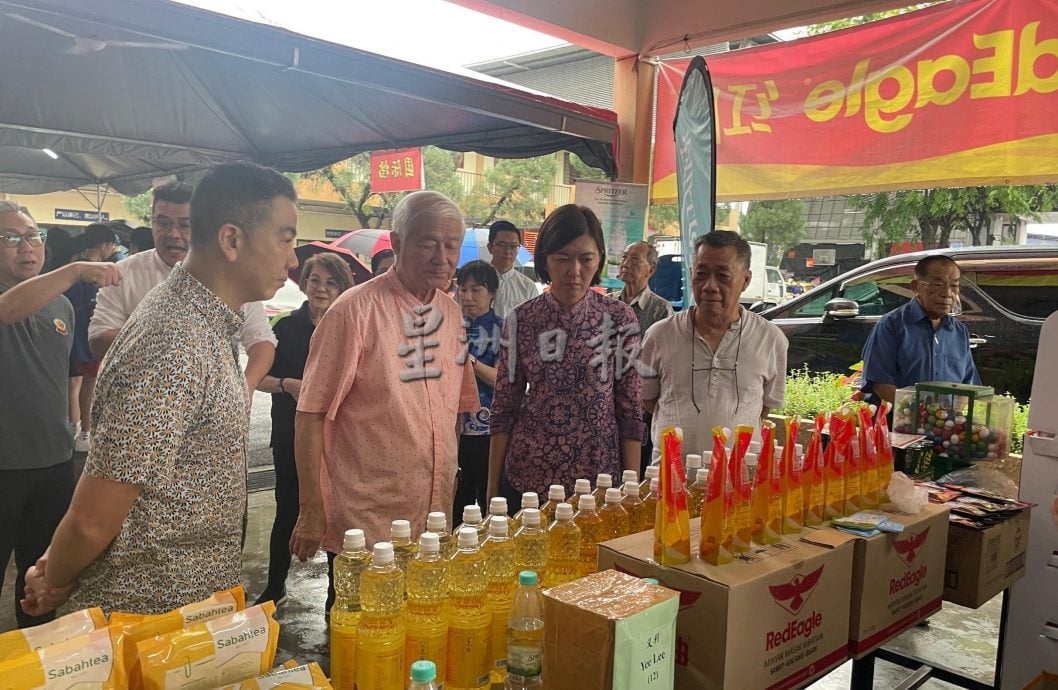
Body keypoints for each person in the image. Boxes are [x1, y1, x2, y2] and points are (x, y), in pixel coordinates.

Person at [20, 162, 299, 616]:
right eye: (285, 239)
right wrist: (54, 578)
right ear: (231, 240)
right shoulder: (173, 342)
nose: (293, 260)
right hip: (146, 618)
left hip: (188, 610)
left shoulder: (205, 324)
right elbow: (93, 518)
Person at [291, 190, 479, 613]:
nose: (442, 256)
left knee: (421, 630)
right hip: (367, 523)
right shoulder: (353, 312)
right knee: (363, 636)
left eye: (451, 245)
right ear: (396, 242)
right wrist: (311, 508)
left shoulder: (450, 314)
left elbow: (452, 410)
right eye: (427, 242)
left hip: (432, 517)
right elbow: (310, 415)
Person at [0, 202, 121, 627]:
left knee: (40, 584)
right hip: (3, 467)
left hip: (52, 464)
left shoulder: (61, 309)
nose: (27, 247)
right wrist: (73, 271)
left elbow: (69, 380)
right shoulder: (35, 293)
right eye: (10, 238)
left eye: (34, 236)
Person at [487, 204, 644, 513]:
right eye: (562, 259)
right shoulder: (522, 319)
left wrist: (632, 486)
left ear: (599, 257)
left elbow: (630, 408)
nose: (574, 271)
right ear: (545, 259)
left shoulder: (619, 318)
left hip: (598, 481)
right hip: (529, 476)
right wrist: (492, 485)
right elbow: (505, 405)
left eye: (586, 259)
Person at [87, 181, 277, 394]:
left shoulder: (233, 277)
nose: (173, 234)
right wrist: (167, 341)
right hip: (139, 405)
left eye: (185, 225)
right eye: (163, 223)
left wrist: (245, 389)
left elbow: (261, 340)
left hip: (211, 409)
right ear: (152, 223)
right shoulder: (123, 274)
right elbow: (99, 339)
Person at [254, 252, 354, 607]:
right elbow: (257, 378)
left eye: (331, 282)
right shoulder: (284, 326)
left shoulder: (351, 325)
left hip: (340, 441)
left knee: (337, 516)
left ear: (342, 287)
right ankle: (274, 586)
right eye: (315, 280)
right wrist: (285, 384)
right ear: (304, 283)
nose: (322, 289)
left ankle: (335, 596)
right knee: (287, 509)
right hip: (290, 435)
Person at [640, 231, 787, 461]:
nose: (709, 286)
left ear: (746, 281)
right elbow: (648, 399)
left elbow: (763, 406)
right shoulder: (660, 335)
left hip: (740, 481)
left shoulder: (770, 339)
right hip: (670, 479)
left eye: (723, 276)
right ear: (690, 275)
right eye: (701, 274)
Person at [860, 255, 980, 405]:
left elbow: (967, 386)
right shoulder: (891, 325)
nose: (947, 293)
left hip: (943, 425)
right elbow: (880, 384)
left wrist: (953, 418)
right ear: (916, 287)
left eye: (954, 286)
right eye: (938, 285)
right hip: (899, 423)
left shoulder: (959, 332)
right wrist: (917, 415)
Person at [610, 241, 673, 475]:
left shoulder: (660, 311)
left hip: (640, 408)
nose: (626, 264)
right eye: (624, 257)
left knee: (634, 475)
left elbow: (662, 364)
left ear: (651, 270)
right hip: (604, 406)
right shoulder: (606, 304)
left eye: (635, 259)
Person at [453, 260, 503, 516]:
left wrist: (469, 360)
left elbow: (501, 381)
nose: (468, 297)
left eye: (476, 290)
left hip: (489, 430)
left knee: (489, 501)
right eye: (463, 289)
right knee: (454, 502)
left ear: (492, 293)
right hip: (453, 429)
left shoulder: (503, 330)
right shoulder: (449, 327)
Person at [65, 224, 119, 453]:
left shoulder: (70, 268)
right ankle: (85, 432)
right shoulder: (101, 273)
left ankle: (73, 428)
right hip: (87, 337)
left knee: (74, 383)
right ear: (103, 245)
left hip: (69, 335)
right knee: (89, 383)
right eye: (111, 245)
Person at [488, 220, 538, 318]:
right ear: (490, 247)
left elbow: (534, 322)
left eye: (513, 246)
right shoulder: (474, 281)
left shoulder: (528, 287)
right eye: (502, 245)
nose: (507, 251)